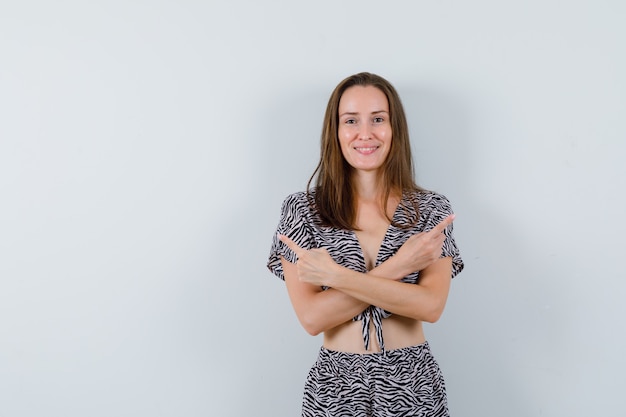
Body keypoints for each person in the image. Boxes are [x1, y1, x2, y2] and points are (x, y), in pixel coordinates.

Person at [267, 72, 464, 417]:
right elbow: (313, 318)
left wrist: (337, 277)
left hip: (412, 383)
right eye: (351, 121)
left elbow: (431, 307)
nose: (365, 133)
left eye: (378, 119)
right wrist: (399, 267)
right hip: (335, 384)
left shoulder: (431, 209)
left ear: (394, 128)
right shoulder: (302, 211)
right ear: (336, 131)